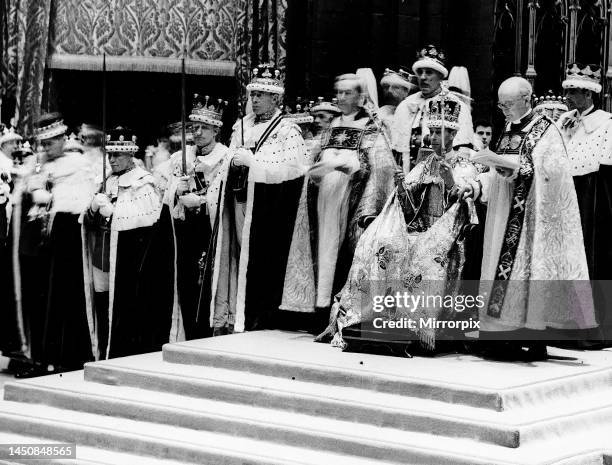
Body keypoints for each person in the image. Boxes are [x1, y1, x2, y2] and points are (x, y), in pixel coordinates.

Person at [316, 96, 479, 353]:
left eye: (440, 132)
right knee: (381, 244)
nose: (434, 137)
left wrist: (450, 181)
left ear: (454, 133)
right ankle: (380, 318)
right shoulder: (425, 163)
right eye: (432, 131)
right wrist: (403, 187)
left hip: (445, 234)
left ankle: (417, 328)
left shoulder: (464, 163)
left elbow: (465, 201)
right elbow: (407, 207)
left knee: (423, 257)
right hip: (418, 228)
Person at [463, 77, 597, 361]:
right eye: (500, 105)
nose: (504, 110)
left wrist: (519, 169)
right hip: (503, 215)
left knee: (525, 278)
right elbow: (496, 172)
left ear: (526, 99)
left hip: (529, 222)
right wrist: (476, 185)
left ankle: (525, 336)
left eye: (508, 104)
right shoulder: (507, 129)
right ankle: (500, 334)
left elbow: (555, 174)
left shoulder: (546, 131)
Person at [209, 63, 309, 334]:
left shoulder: (287, 129)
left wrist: (253, 163)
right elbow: (227, 160)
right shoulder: (240, 126)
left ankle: (258, 315)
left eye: (260, 95)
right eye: (252, 94)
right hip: (239, 199)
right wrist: (234, 162)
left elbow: (293, 170)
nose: (253, 99)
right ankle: (235, 313)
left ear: (275, 98)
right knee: (239, 257)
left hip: (269, 208)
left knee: (259, 261)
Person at [309, 72, 396, 314]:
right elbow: (316, 156)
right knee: (324, 251)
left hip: (353, 201)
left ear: (360, 97)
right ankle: (322, 308)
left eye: (348, 92)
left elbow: (382, 167)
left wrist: (352, 167)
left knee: (347, 255)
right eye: (339, 92)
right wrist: (316, 172)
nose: (341, 97)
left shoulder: (373, 127)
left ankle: (345, 312)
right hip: (325, 199)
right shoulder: (333, 125)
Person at [82, 127, 169, 359]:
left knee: (122, 309)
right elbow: (87, 222)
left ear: (130, 155)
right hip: (101, 258)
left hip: (125, 263)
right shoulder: (106, 181)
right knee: (101, 306)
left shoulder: (143, 183)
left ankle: (119, 354)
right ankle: (102, 353)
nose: (111, 160)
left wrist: (114, 213)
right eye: (109, 154)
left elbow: (146, 226)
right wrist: (91, 209)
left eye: (117, 155)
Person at [24, 113, 96, 374]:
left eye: (50, 143)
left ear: (62, 139)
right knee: (40, 298)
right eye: (42, 144)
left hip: (67, 235)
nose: (45, 149)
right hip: (42, 239)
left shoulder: (78, 164)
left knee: (64, 297)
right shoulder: (39, 163)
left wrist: (49, 198)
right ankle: (42, 357)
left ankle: (64, 358)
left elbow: (78, 201)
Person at [156, 95, 231, 341]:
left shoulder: (224, 157)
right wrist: (177, 191)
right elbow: (161, 186)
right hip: (183, 230)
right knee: (185, 285)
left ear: (216, 130)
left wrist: (201, 201)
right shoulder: (181, 157)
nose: (197, 133)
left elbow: (224, 195)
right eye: (194, 127)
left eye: (204, 128)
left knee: (206, 286)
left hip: (210, 230)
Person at [557, 63, 612, 344]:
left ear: (589, 95)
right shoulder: (564, 121)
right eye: (568, 91)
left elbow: (604, 171)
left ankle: (588, 330)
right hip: (564, 193)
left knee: (588, 258)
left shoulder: (606, 123)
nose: (567, 97)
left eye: (574, 92)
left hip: (591, 198)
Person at [392, 45, 473, 174]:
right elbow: (397, 153)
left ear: (440, 76)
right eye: (420, 72)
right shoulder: (406, 106)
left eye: (429, 72)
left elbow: (462, 154)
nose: (423, 77)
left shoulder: (456, 106)